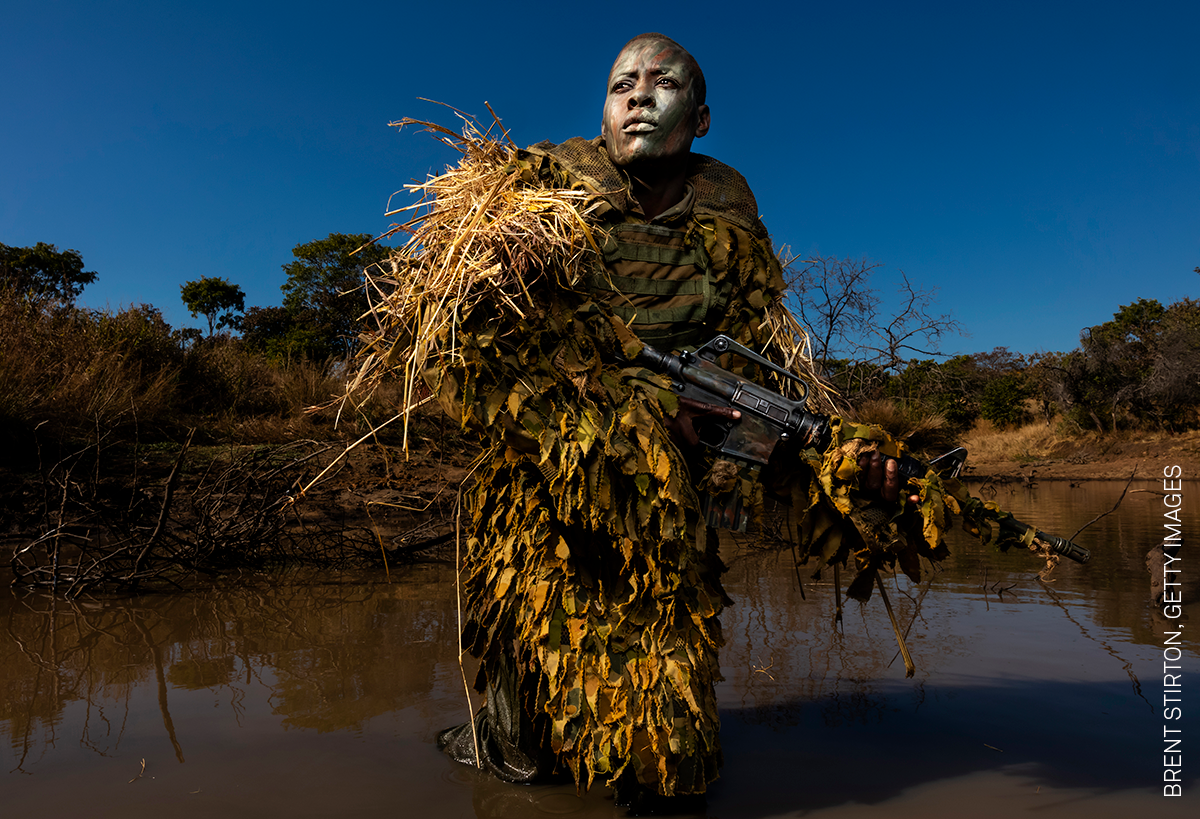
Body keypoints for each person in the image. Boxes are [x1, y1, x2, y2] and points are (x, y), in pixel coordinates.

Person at [432, 32, 908, 806]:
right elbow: (475, 347)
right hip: (548, 466)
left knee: (665, 699)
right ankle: (515, 748)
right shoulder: (544, 186)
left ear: (703, 116)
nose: (640, 95)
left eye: (664, 83)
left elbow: (757, 361)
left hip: (674, 479)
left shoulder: (726, 205)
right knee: (527, 675)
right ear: (604, 109)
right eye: (623, 83)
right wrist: (621, 414)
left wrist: (758, 462)